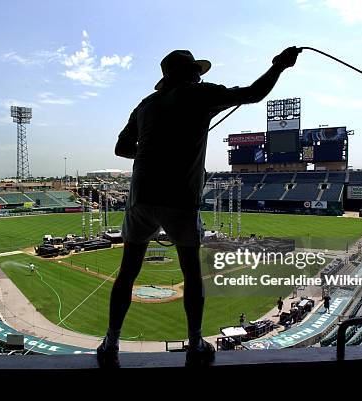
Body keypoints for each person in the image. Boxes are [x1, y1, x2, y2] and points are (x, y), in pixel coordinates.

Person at [97, 47, 300, 368]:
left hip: (141, 197)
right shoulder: (199, 93)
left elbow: (122, 148)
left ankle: (110, 341)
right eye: (196, 70)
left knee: (127, 273)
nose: (200, 74)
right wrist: (278, 66)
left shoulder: (146, 104)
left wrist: (153, 152)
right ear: (188, 74)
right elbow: (254, 93)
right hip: (179, 198)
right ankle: (195, 342)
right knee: (191, 272)